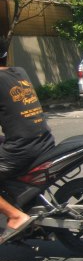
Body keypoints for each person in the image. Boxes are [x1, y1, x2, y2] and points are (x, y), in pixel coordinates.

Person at [0, 52, 55, 244]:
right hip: (44, 141)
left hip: (23, 148)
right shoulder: (19, 72)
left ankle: (16, 216)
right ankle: (26, 209)